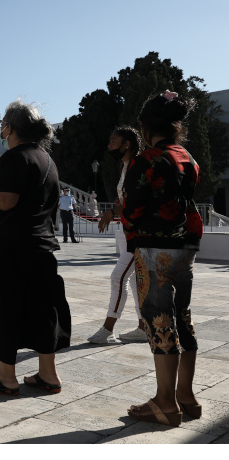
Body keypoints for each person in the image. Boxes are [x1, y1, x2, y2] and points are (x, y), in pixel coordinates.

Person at [0, 100, 71, 396]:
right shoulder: (47, 161)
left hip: (12, 249)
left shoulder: (14, 158)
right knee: (44, 310)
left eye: (3, 121)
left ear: (11, 127)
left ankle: (7, 377)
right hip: (43, 247)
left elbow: (6, 201)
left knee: (9, 309)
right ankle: (48, 374)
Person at [123, 91, 203, 427]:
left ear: (145, 125)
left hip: (156, 247)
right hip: (184, 244)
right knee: (182, 315)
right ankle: (186, 395)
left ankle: (165, 403)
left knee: (159, 321)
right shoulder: (186, 156)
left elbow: (133, 209)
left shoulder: (149, 159)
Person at [89, 127, 146, 344]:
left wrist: (112, 211)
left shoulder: (137, 166)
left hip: (136, 234)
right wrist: (117, 205)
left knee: (118, 277)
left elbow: (138, 203)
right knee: (132, 281)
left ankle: (107, 329)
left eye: (114, 141)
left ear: (127, 144)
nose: (109, 144)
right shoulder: (126, 167)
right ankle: (142, 327)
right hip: (125, 230)